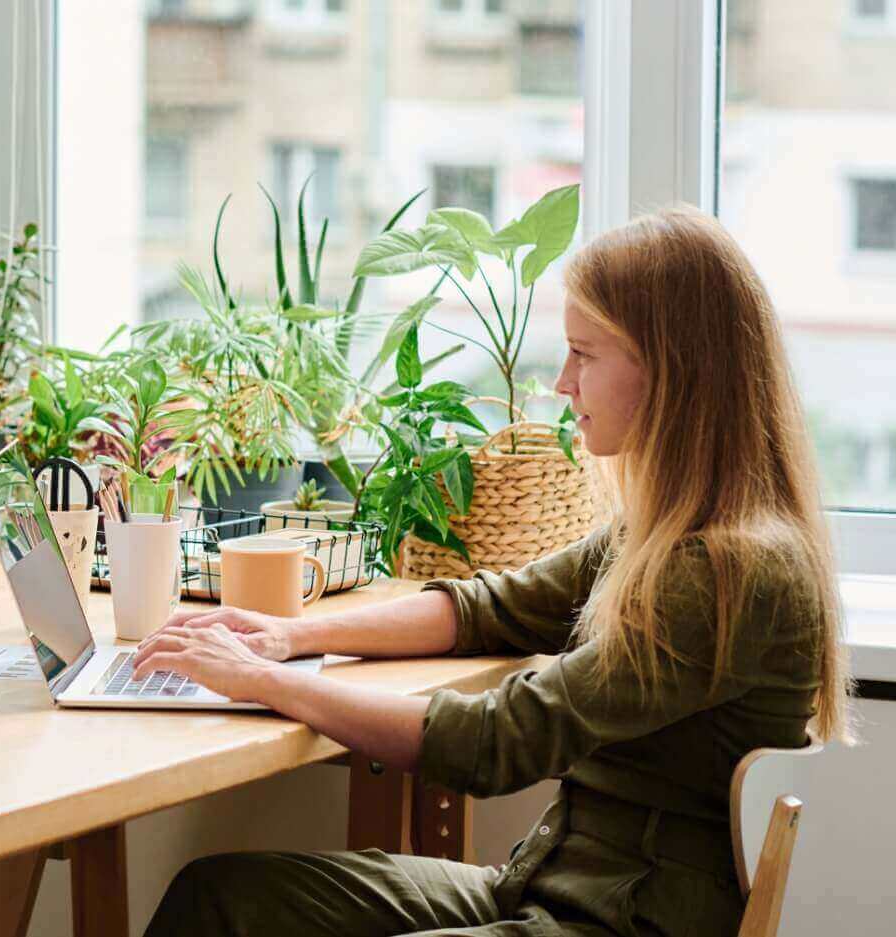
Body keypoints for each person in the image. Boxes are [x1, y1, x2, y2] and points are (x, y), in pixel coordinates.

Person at [132, 208, 850, 937]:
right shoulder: (666, 533)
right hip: (541, 886)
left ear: (673, 367)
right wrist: (287, 635)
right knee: (220, 899)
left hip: (614, 921)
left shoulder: (732, 569)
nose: (565, 381)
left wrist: (271, 683)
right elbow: (491, 608)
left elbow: (497, 738)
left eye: (583, 353)